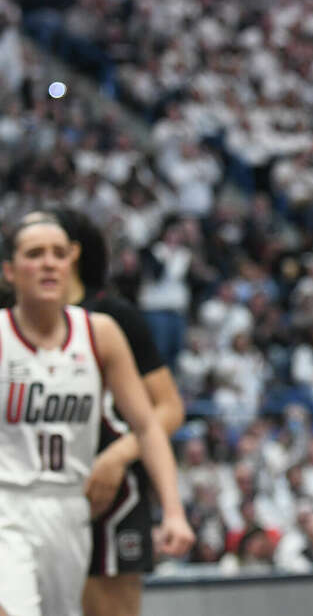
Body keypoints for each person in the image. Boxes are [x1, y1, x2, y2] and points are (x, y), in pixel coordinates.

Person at [0, 215, 194, 616]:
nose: (49, 263)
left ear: (74, 258)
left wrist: (173, 512)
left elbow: (150, 423)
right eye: (35, 254)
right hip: (9, 502)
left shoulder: (102, 329)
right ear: (10, 270)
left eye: (58, 253)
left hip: (75, 503)